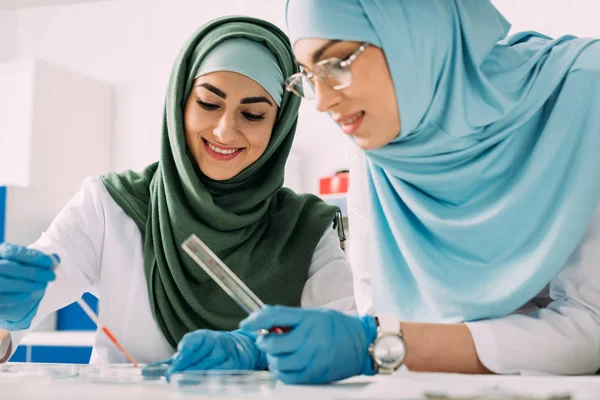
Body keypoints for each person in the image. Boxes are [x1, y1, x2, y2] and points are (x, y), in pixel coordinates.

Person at [239, 0, 600, 384]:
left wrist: (377, 343)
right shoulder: (378, 146)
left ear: (413, 30)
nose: (324, 102)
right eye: (310, 76)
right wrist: (261, 347)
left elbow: (589, 326)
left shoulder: (583, 94)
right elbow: (384, 317)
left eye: (339, 64)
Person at [0, 16, 356, 366]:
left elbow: (346, 341)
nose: (224, 132)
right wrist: (6, 310)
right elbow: (27, 304)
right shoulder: (111, 205)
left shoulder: (307, 229)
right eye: (208, 103)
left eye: (253, 115)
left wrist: (257, 354)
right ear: (180, 102)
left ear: (279, 126)